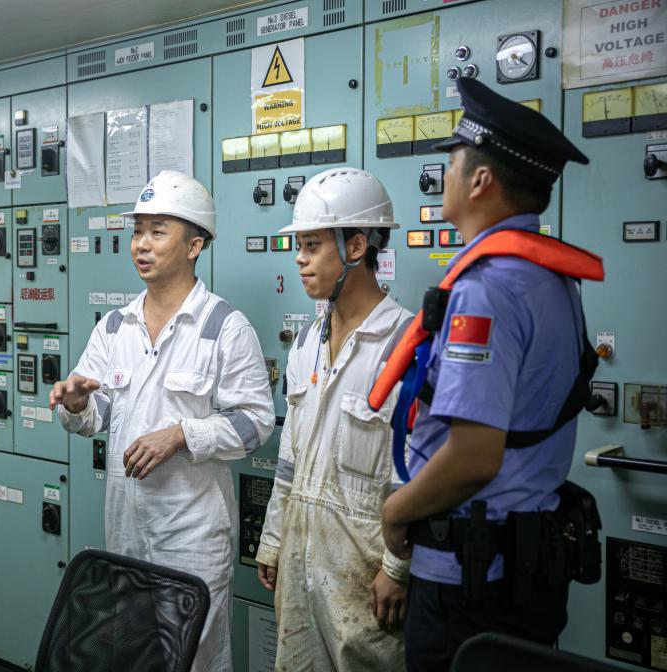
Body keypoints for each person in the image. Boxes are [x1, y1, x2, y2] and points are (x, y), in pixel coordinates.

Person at [369, 77, 604, 672]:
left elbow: (474, 457)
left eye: (452, 162)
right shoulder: (553, 282)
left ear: (480, 181)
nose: (443, 174)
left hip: (470, 581)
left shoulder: (487, 290)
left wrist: (395, 513)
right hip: (522, 569)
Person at [50, 170, 275, 671]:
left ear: (195, 245)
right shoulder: (115, 326)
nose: (141, 245)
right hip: (126, 530)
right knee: (133, 657)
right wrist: (77, 405)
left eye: (157, 231)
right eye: (137, 232)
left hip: (191, 535)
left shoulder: (223, 327)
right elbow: (100, 415)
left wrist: (181, 435)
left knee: (192, 660)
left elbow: (255, 423)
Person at [254, 168, 410, 671]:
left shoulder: (404, 347)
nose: (299, 258)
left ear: (357, 246)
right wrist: (274, 539)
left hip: (364, 566)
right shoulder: (306, 342)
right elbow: (289, 458)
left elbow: (414, 475)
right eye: (298, 246)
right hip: (301, 554)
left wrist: (397, 567)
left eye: (312, 245)